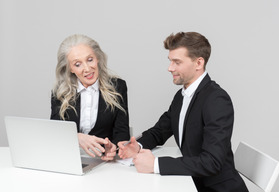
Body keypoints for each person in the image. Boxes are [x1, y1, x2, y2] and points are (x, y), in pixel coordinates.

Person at [118, 32, 248, 192]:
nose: (170, 68)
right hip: (191, 182)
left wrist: (155, 164)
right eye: (170, 61)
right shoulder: (182, 95)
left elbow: (212, 162)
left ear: (199, 63)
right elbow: (160, 131)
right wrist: (137, 146)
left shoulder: (217, 99)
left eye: (177, 62)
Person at [51, 34, 130, 161]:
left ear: (97, 58)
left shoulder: (118, 86)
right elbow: (54, 132)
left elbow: (121, 132)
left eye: (90, 60)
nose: (87, 69)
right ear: (69, 68)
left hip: (102, 160)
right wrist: (77, 137)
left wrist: (114, 148)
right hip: (68, 158)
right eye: (77, 64)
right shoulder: (60, 91)